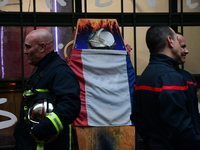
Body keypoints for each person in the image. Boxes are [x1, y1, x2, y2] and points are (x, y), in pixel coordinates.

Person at [131, 25, 200, 150]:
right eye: (178, 41)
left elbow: (136, 117)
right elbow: (180, 127)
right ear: (170, 41)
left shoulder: (144, 77)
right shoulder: (169, 78)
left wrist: (151, 142)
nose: (184, 49)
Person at [13, 28, 80, 150]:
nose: (25, 51)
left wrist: (43, 129)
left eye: (28, 47)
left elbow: (70, 106)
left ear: (42, 47)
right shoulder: (43, 69)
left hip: (46, 145)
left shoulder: (60, 71)